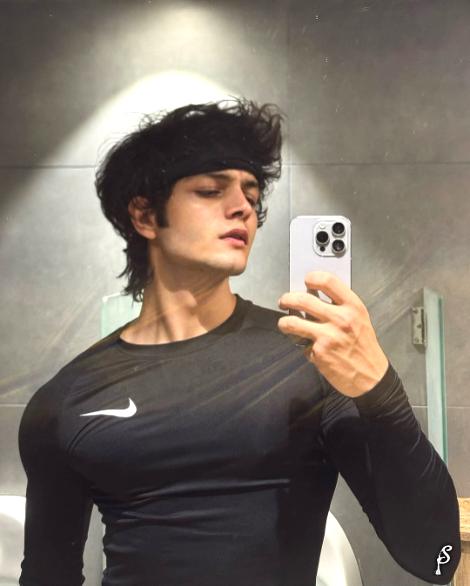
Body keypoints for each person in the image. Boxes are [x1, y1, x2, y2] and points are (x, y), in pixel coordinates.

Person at [18, 97, 461, 586]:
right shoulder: (66, 400)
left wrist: (380, 391)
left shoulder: (309, 362)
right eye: (211, 190)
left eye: (251, 193)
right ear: (145, 216)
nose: (243, 207)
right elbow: (47, 575)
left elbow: (436, 558)